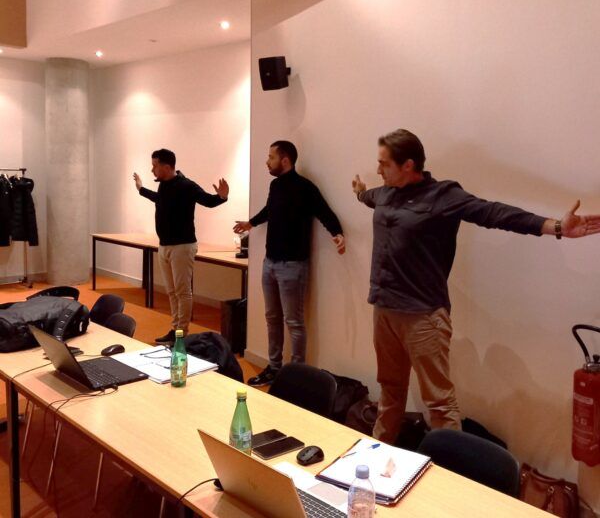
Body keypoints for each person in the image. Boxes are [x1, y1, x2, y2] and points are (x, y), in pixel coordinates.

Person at [352, 129, 600, 444]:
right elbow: (369, 198)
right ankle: (378, 453)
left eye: (384, 163)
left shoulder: (442, 196)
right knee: (390, 390)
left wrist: (558, 227)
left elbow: (494, 213)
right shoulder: (384, 194)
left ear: (408, 165)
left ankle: (450, 468)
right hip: (384, 311)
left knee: (439, 404)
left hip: (423, 317)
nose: (378, 170)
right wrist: (360, 192)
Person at [234, 141, 345, 386]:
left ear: (285, 160)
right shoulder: (275, 185)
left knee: (294, 322)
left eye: (271, 157)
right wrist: (251, 223)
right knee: (272, 318)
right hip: (270, 263)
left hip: (293, 266)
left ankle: (296, 375)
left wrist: (337, 233)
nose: (267, 161)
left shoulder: (305, 187)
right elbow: (270, 210)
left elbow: (324, 212)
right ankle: (274, 368)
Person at [134, 149, 229, 344]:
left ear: (167, 167)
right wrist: (141, 189)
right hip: (165, 246)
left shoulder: (187, 185)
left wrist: (221, 197)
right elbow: (159, 199)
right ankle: (175, 328)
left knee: (182, 292)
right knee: (171, 291)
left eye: (154, 166)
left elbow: (208, 201)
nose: (152, 170)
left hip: (183, 247)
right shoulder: (163, 185)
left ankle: (181, 333)